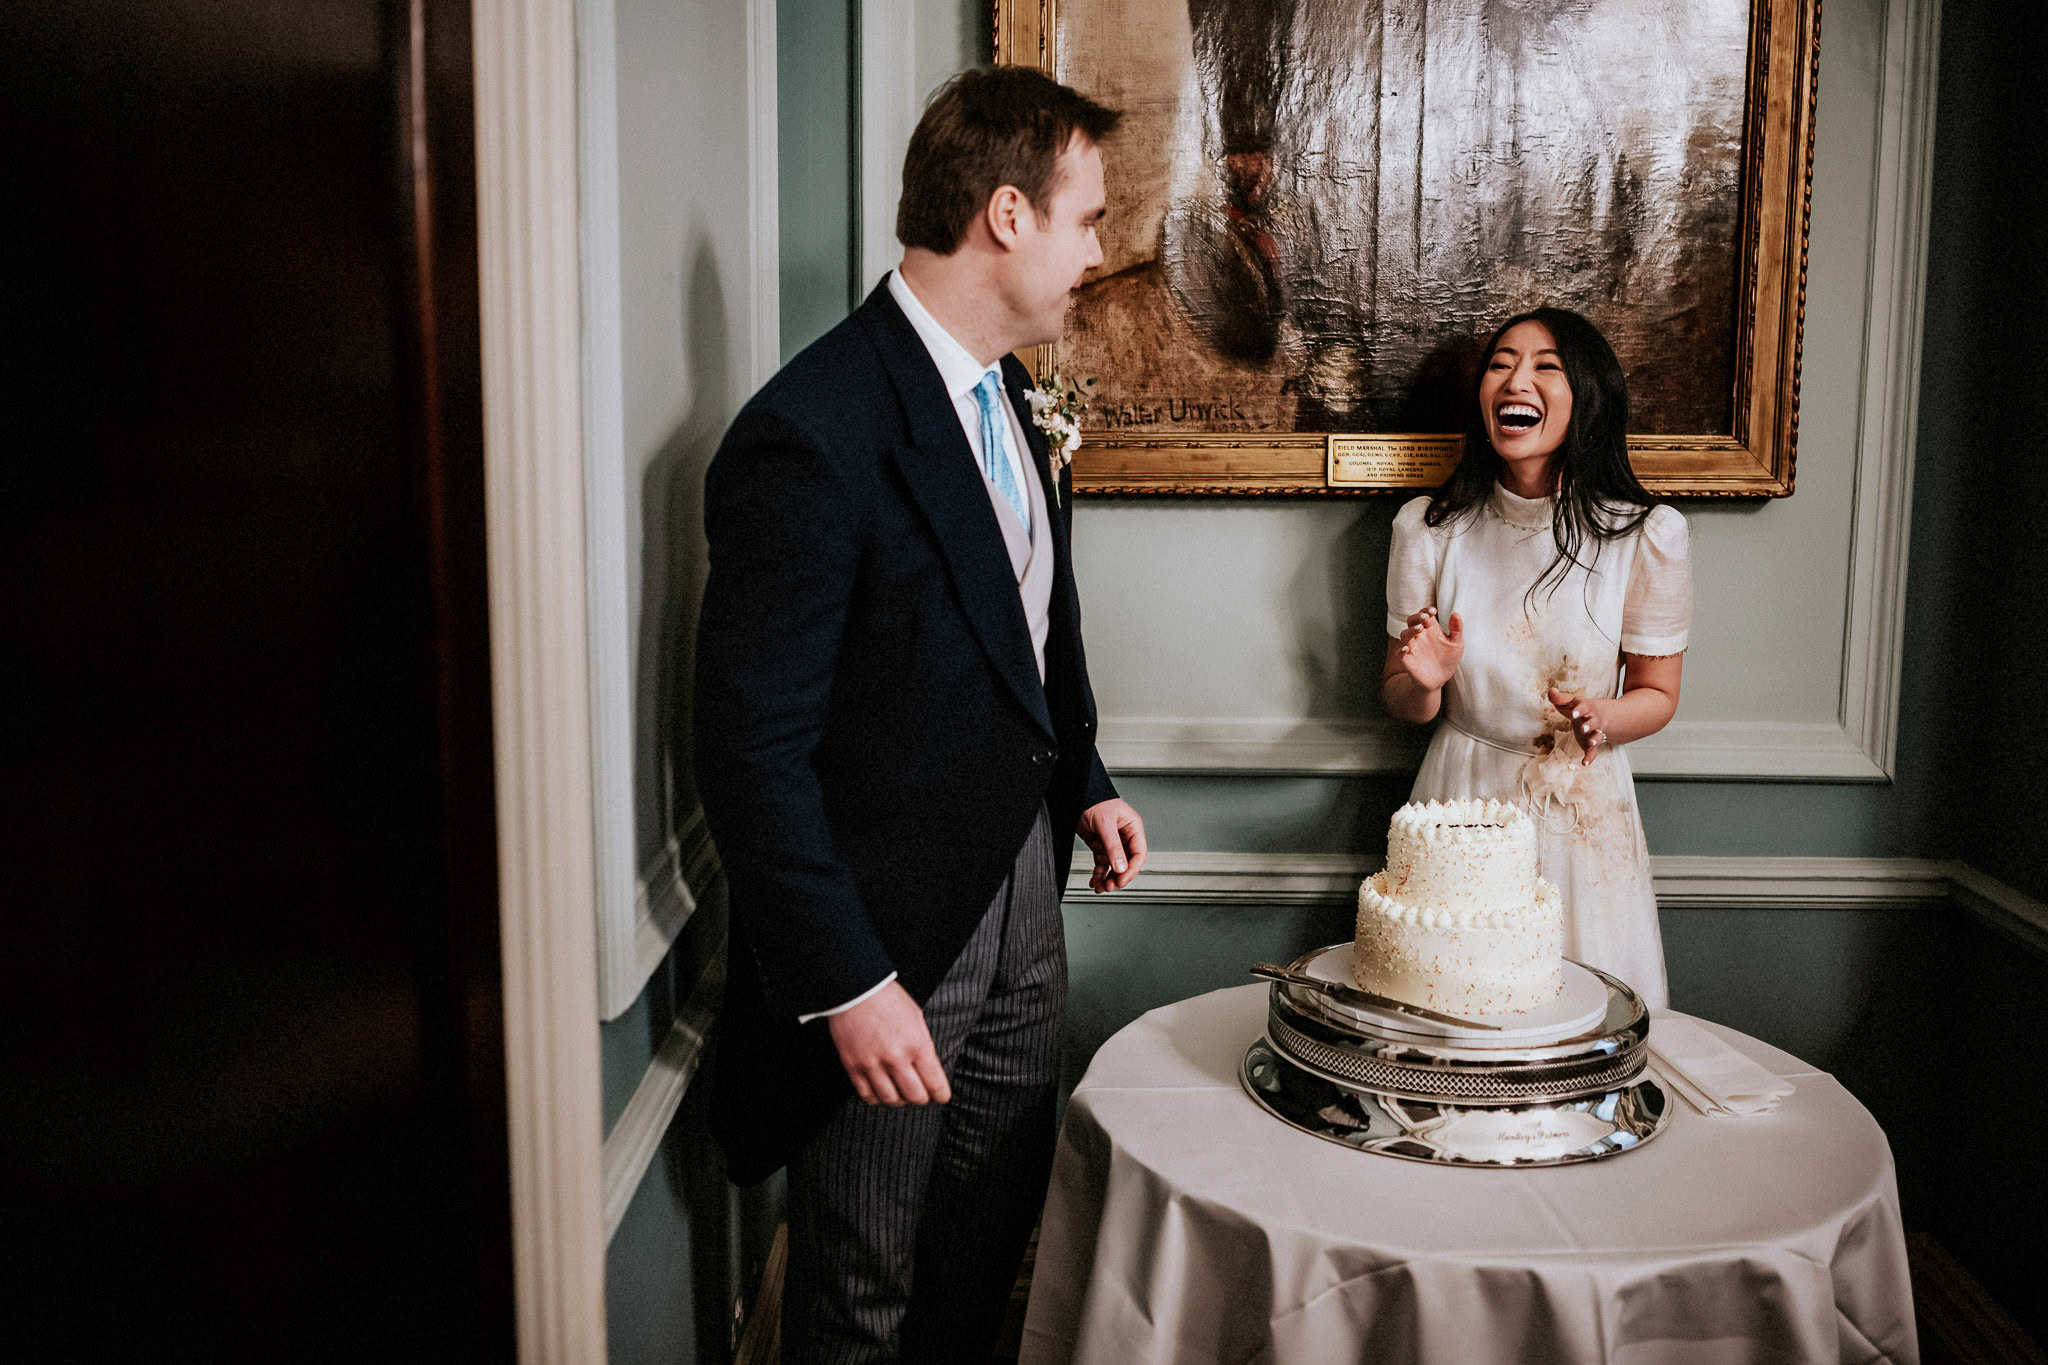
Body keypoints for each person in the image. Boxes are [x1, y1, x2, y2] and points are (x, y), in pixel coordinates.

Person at [692, 67, 1147, 1362]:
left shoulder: (1015, 400)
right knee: (863, 1287)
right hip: (887, 940)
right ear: (1008, 215)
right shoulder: (814, 430)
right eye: (1087, 219)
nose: (1098, 253)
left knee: (984, 1248)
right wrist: (846, 980)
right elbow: (751, 749)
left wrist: (1087, 782)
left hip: (1024, 895)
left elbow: (1033, 638)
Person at [1381, 307, 1690, 1007]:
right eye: (1501, 364)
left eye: (1545, 366)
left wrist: (1604, 717)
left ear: (1587, 397)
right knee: (1455, 1021)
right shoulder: (1429, 529)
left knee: (1583, 1026)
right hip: (1462, 796)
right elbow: (1400, 696)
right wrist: (1425, 683)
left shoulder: (1647, 535)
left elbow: (1659, 693)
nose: (1516, 379)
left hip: (1584, 803)